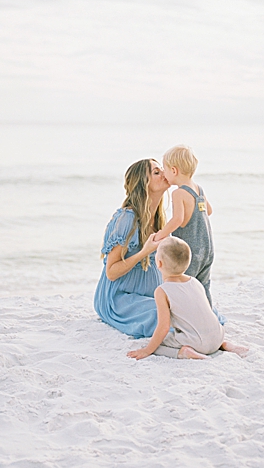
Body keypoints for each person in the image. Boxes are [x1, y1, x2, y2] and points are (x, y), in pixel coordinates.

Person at [127, 236, 248, 360]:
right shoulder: (195, 282)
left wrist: (147, 350)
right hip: (218, 336)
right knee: (201, 332)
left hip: (196, 343)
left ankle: (184, 352)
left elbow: (163, 327)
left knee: (155, 344)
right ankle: (225, 345)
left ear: (159, 263)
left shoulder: (162, 291)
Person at [93, 159, 169, 338]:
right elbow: (111, 272)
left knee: (197, 308)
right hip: (118, 299)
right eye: (157, 172)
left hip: (149, 296)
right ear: (143, 184)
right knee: (163, 316)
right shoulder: (127, 218)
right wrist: (144, 252)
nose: (164, 174)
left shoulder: (160, 220)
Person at [151, 144, 219, 313]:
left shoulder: (179, 193)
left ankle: (187, 316)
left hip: (190, 250)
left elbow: (178, 219)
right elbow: (208, 211)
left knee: (183, 284)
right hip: (207, 248)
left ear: (174, 170)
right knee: (203, 285)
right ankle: (207, 315)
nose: (164, 174)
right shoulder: (198, 189)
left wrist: (161, 234)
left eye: (165, 169)